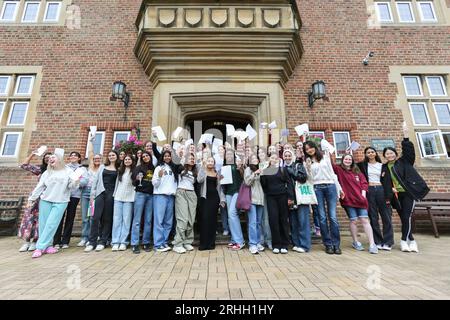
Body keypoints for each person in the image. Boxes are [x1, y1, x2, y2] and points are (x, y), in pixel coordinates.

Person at [381, 123, 429, 253]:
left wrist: (406, 136)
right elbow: (384, 182)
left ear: (395, 154)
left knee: (407, 216)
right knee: (404, 218)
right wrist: (391, 189)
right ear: (384, 156)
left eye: (391, 153)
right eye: (387, 153)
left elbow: (409, 151)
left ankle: (403, 241)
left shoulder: (404, 161)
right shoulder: (384, 168)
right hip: (396, 197)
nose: (389, 155)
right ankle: (412, 240)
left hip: (408, 193)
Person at [27, 154, 81, 258]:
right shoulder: (47, 173)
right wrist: (31, 199)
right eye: (49, 158)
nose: (50, 159)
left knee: (52, 224)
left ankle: (39, 247)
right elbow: (40, 186)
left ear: (59, 159)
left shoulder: (68, 171)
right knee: (44, 224)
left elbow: (71, 186)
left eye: (53, 157)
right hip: (46, 200)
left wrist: (76, 182)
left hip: (61, 201)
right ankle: (48, 245)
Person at [333, 154, 378, 254]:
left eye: (349, 159)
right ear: (342, 160)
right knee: (353, 220)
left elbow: (364, 183)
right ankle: (355, 242)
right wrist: (328, 151)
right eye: (346, 159)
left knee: (364, 220)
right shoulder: (339, 170)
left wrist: (363, 195)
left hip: (360, 200)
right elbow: (331, 165)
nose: (348, 161)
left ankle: (372, 243)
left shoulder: (357, 171)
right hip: (348, 200)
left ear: (352, 161)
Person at [304, 141, 343, 255]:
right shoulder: (308, 161)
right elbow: (310, 179)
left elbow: (332, 174)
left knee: (333, 217)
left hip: (330, 186)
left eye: (310, 147)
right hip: (317, 188)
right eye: (307, 149)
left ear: (314, 147)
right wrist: (308, 167)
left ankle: (336, 244)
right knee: (322, 217)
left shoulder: (326, 157)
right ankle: (328, 244)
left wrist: (339, 188)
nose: (309, 150)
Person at [357, 147, 394, 251]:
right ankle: (377, 241)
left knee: (386, 216)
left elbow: (388, 181)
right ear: (365, 154)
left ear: (375, 153)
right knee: (373, 216)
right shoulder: (362, 165)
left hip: (381, 189)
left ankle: (388, 242)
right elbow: (350, 165)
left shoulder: (383, 166)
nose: (370, 154)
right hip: (370, 190)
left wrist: (389, 194)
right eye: (368, 152)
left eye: (372, 152)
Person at [85, 150, 120, 252]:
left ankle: (103, 241)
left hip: (112, 195)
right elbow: (95, 181)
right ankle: (92, 242)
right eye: (109, 155)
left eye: (113, 155)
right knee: (95, 217)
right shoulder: (102, 167)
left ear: (116, 156)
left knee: (107, 219)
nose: (111, 156)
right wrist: (92, 195)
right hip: (100, 193)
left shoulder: (119, 168)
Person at [18, 151, 52, 252]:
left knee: (41, 220)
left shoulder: (55, 171)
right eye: (46, 157)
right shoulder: (40, 170)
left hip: (48, 197)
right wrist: (32, 154)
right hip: (36, 197)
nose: (48, 158)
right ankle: (27, 241)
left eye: (50, 157)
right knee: (29, 219)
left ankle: (35, 241)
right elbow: (24, 165)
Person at [260, 153, 294, 254]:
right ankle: (276, 244)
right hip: (271, 198)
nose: (274, 159)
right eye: (272, 158)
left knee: (283, 219)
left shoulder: (282, 170)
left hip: (283, 196)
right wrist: (262, 176)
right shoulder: (266, 170)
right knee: (273, 220)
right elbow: (264, 185)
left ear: (278, 160)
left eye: (275, 158)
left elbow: (289, 183)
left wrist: (290, 197)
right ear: (269, 159)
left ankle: (284, 244)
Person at [54, 151, 86, 249]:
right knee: (59, 217)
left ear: (79, 158)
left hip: (74, 195)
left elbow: (84, 181)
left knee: (70, 218)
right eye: (71, 156)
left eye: (75, 156)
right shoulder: (65, 167)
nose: (73, 157)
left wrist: (77, 181)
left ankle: (65, 241)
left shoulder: (82, 168)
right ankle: (56, 241)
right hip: (63, 195)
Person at [283, 149, 311, 253]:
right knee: (293, 222)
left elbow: (303, 178)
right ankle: (296, 243)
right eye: (285, 156)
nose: (287, 157)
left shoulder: (298, 165)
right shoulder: (282, 168)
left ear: (293, 156)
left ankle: (304, 245)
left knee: (303, 221)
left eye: (289, 155)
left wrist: (292, 172)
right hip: (290, 198)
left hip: (300, 197)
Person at [78, 135, 102, 247]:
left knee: (93, 217)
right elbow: (91, 152)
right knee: (85, 217)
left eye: (99, 159)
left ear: (101, 160)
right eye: (95, 158)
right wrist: (91, 141)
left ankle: (93, 236)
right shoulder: (90, 166)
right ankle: (84, 237)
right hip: (86, 193)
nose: (96, 160)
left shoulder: (102, 168)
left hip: (95, 194)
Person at [198, 156, 226, 250]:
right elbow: (199, 180)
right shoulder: (203, 170)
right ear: (206, 162)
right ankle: (203, 244)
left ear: (214, 163)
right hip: (205, 198)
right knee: (205, 219)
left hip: (214, 199)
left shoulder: (216, 173)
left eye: (212, 161)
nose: (210, 162)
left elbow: (219, 188)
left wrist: (222, 199)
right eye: (208, 161)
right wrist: (203, 169)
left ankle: (211, 244)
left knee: (213, 221)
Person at [152, 150, 178, 252]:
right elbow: (154, 183)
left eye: (169, 156)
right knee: (159, 221)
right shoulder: (158, 168)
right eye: (165, 156)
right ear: (162, 157)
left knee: (168, 221)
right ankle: (158, 244)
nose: (167, 157)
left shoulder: (173, 168)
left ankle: (164, 242)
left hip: (170, 197)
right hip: (160, 196)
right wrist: (158, 176)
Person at [172, 153, 197, 254]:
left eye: (193, 158)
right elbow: (174, 162)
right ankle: (177, 244)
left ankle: (187, 241)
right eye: (189, 158)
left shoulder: (195, 172)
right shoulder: (180, 169)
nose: (191, 159)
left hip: (192, 194)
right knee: (183, 219)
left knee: (191, 219)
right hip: (181, 193)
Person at [130, 151, 154, 254]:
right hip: (140, 194)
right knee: (137, 219)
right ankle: (135, 243)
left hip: (151, 195)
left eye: (147, 156)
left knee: (148, 220)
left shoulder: (154, 168)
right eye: (143, 156)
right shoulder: (138, 168)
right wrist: (136, 179)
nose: (145, 157)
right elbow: (134, 182)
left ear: (150, 156)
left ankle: (146, 242)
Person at [112, 155, 136, 251]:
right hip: (118, 197)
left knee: (126, 220)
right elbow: (117, 184)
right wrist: (115, 195)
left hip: (129, 198)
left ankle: (123, 242)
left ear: (132, 161)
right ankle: (115, 241)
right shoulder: (120, 171)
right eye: (125, 159)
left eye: (129, 159)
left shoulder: (134, 171)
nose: (127, 161)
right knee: (117, 220)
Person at [223, 149, 245, 251]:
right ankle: (233, 239)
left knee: (232, 213)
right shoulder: (224, 167)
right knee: (229, 216)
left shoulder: (237, 164)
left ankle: (240, 241)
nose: (229, 155)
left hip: (237, 191)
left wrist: (240, 167)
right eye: (227, 154)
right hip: (228, 192)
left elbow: (243, 176)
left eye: (231, 153)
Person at [244, 154, 265, 254]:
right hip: (252, 199)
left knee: (258, 223)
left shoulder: (262, 169)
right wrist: (255, 173)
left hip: (261, 199)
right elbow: (247, 182)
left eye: (256, 158)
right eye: (252, 158)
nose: (254, 160)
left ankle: (257, 242)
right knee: (252, 222)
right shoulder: (248, 169)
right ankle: (252, 244)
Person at [257, 147, 272, 249]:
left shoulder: (269, 164)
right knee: (259, 218)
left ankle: (269, 240)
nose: (261, 154)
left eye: (262, 152)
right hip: (258, 193)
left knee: (266, 218)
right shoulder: (256, 165)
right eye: (259, 153)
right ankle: (261, 240)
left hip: (266, 193)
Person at [214, 144, 229, 236]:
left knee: (223, 210)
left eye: (222, 149)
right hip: (215, 188)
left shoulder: (227, 162)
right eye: (219, 149)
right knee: (214, 210)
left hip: (223, 188)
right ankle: (214, 228)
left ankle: (225, 228)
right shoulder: (215, 160)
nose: (220, 151)